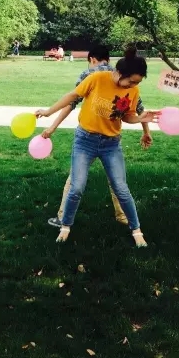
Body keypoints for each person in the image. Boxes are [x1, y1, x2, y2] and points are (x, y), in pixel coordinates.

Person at [35, 47, 159, 247]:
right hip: (85, 141)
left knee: (121, 188)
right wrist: (49, 112)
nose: (133, 86)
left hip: (111, 144)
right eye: (131, 81)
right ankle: (65, 227)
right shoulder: (96, 79)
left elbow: (126, 116)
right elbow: (72, 96)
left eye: (137, 83)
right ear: (119, 73)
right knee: (76, 187)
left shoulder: (133, 91)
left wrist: (140, 119)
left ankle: (136, 231)